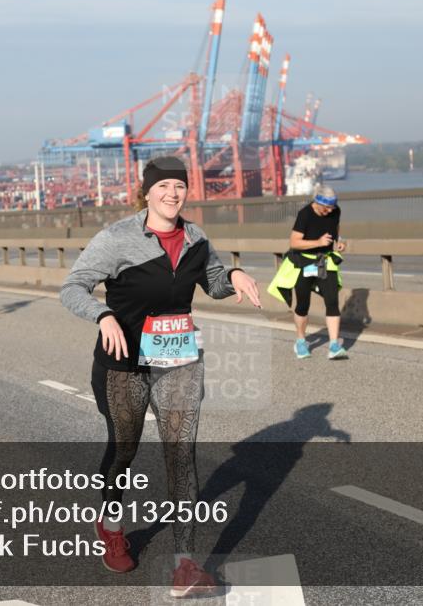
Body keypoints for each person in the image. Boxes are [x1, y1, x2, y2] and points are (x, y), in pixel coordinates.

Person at [60, 155, 261, 598]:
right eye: (163, 187)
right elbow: (72, 287)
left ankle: (184, 565)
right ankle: (111, 526)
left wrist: (235, 273)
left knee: (181, 455)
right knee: (124, 450)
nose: (172, 194)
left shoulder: (196, 238)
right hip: (123, 364)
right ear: (146, 191)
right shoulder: (117, 239)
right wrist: (104, 316)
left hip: (179, 362)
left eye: (179, 187)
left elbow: (214, 282)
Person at [267, 185, 347, 359]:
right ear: (317, 202)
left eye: (332, 208)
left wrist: (339, 240)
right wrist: (318, 242)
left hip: (325, 261)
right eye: (326, 208)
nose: (329, 211)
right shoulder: (305, 214)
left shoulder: (335, 211)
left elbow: (336, 227)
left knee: (332, 301)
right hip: (303, 262)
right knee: (303, 304)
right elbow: (294, 242)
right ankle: (301, 341)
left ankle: (334, 346)